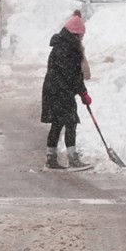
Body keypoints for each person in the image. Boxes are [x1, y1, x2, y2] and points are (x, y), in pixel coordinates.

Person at [41, 11, 91, 170]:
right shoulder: (69, 50)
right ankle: (72, 158)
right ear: (75, 34)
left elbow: (70, 75)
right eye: (81, 36)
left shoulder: (60, 45)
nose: (81, 39)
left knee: (57, 124)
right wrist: (83, 93)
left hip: (53, 89)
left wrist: (80, 91)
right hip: (61, 91)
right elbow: (74, 75)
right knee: (70, 122)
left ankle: (51, 158)